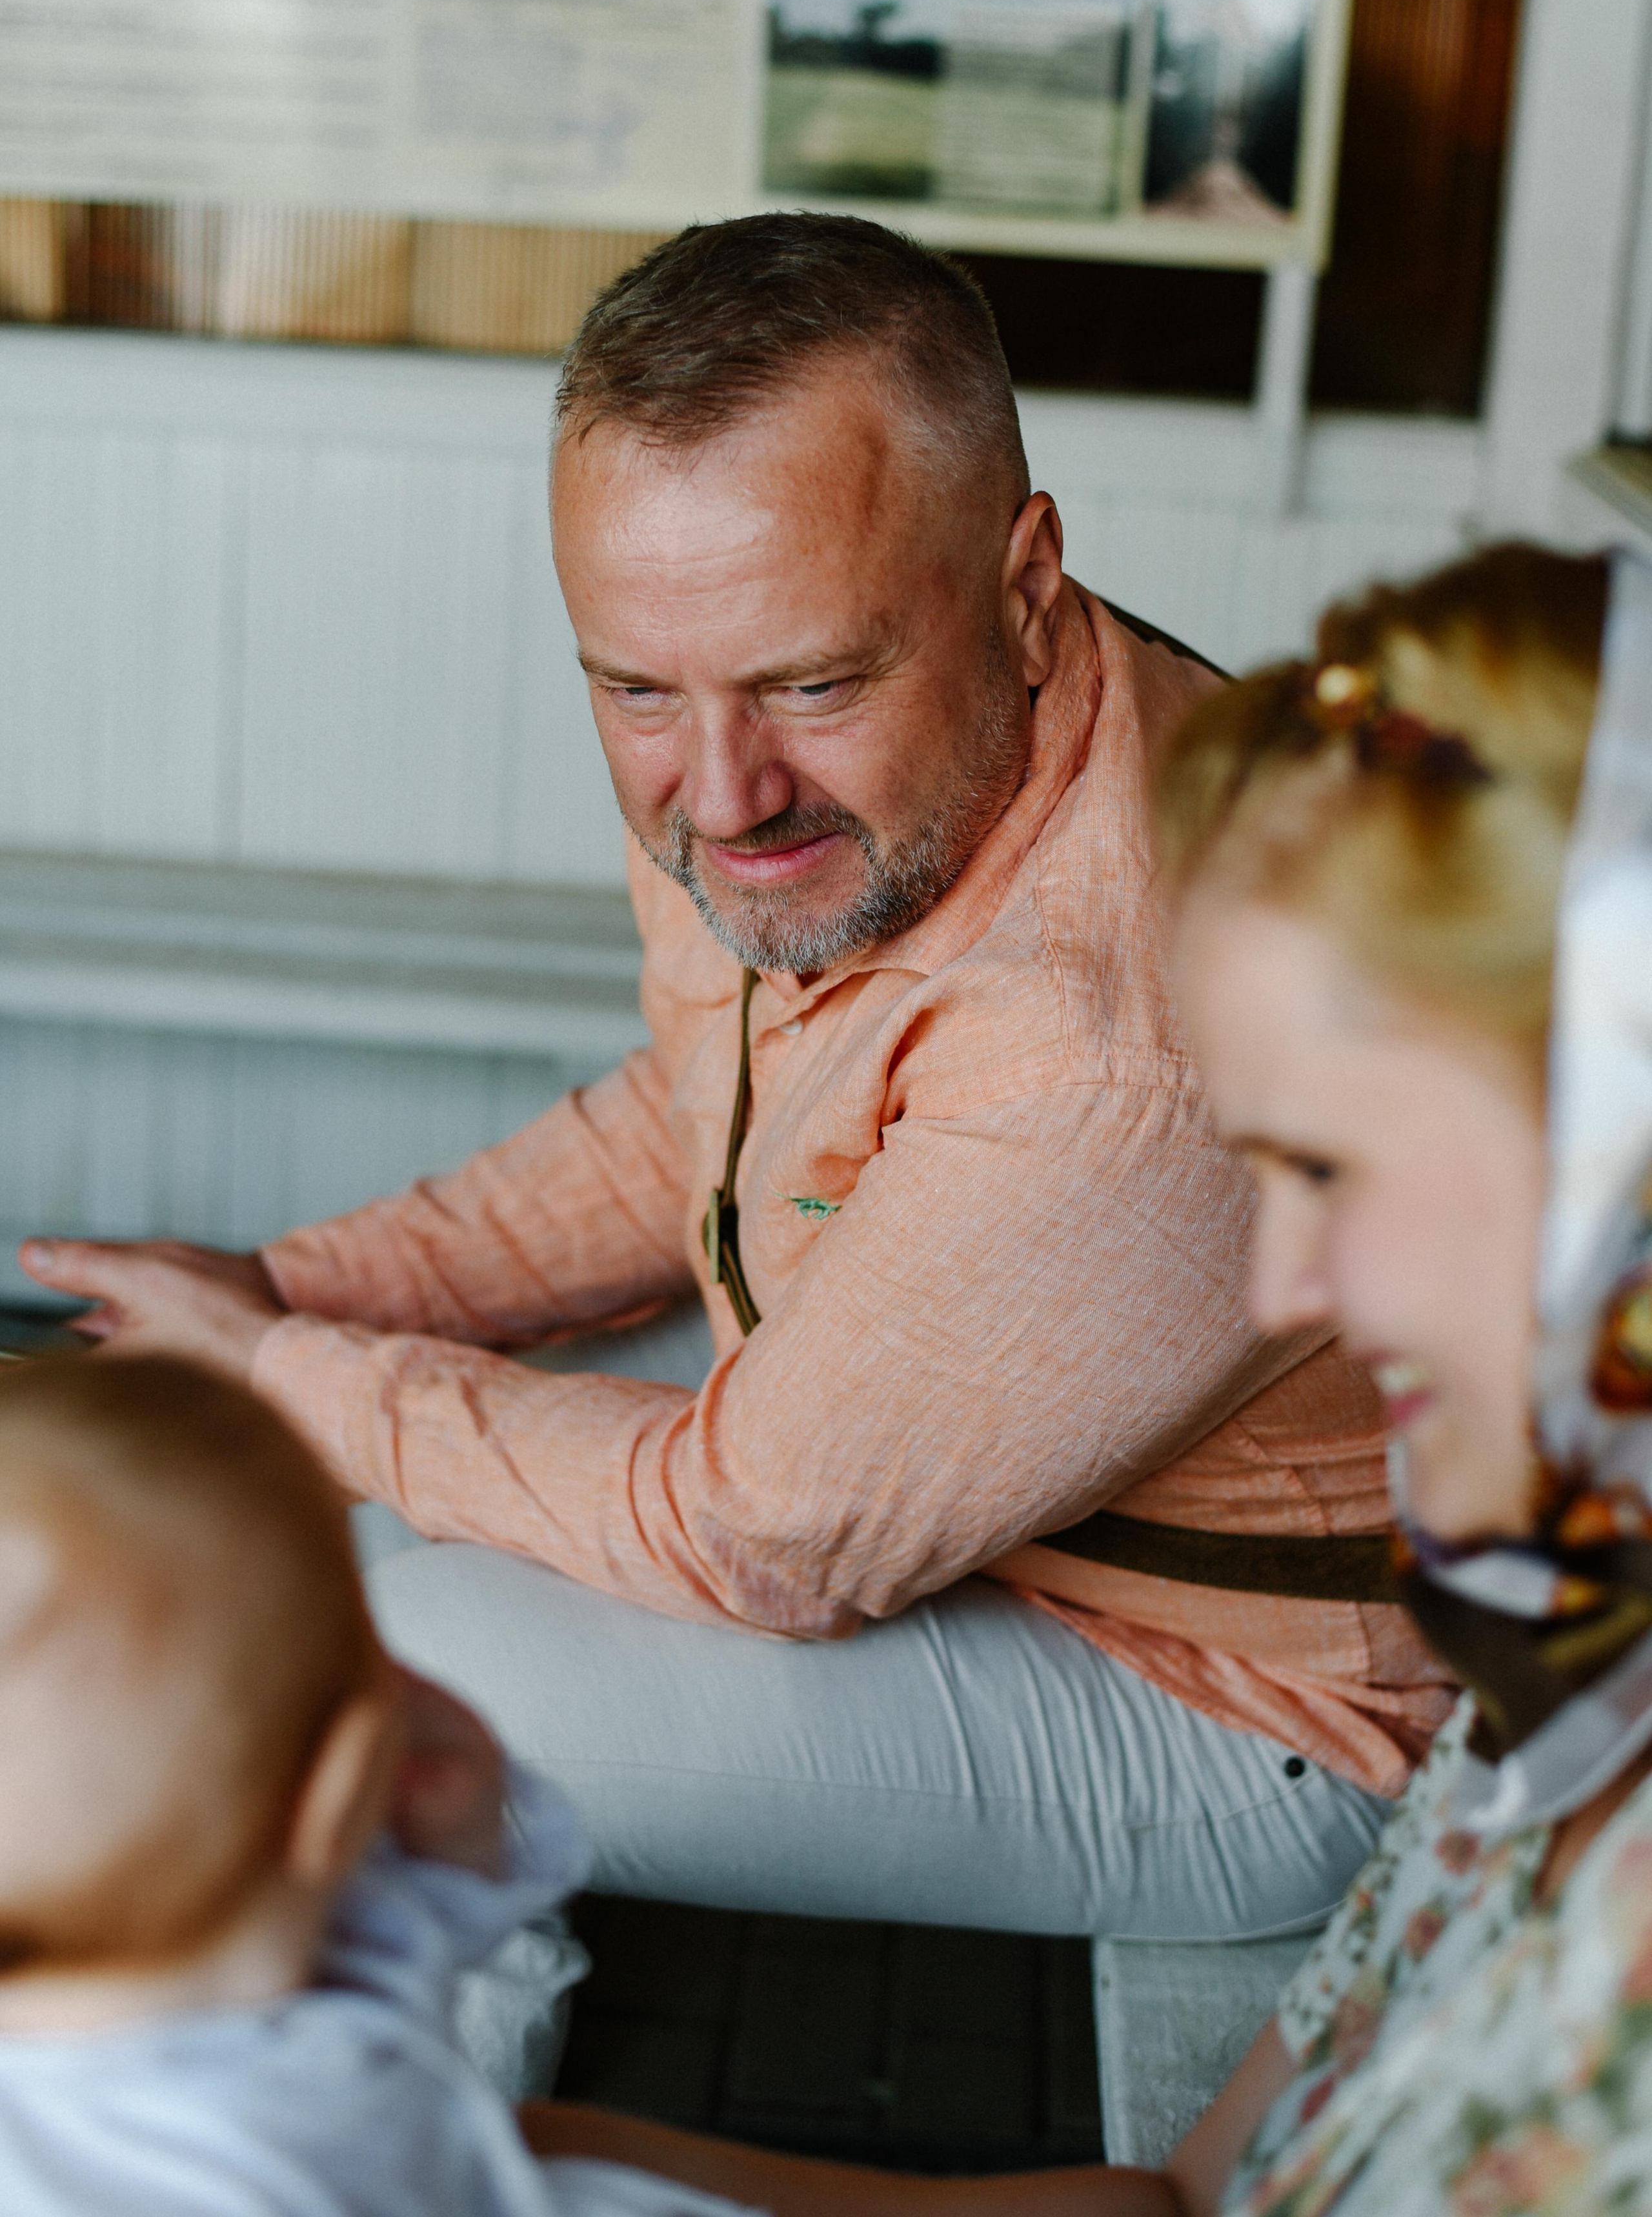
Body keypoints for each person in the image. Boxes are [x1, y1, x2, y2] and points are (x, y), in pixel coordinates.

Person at [18, 215, 1446, 1943]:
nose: (720, 795)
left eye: (813, 683)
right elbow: (691, 1126)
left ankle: (420, 2145)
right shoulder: (828, 772)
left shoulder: (1121, 1037)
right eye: (633, 687)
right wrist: (290, 1297)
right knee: (320, 1518)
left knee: (374, 1661)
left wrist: (285, 1373)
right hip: (945, 1458)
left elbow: (758, 1535)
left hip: (1238, 1713)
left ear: (1025, 584)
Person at [520, 539, 1652, 2214]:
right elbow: (1186, 2200)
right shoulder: (1562, 1693)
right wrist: (511, 2162)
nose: (1289, 1283)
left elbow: (757, 1526)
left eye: (1349, 1173)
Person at [0, 1348, 762, 2217]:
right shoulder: (297, 2152)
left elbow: (396, 1947)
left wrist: (444, 1834)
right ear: (341, 1787)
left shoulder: (207, 1959)